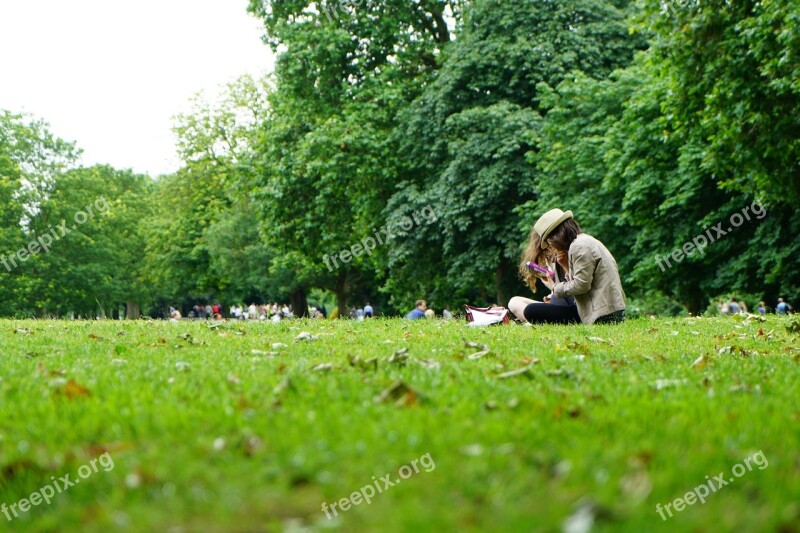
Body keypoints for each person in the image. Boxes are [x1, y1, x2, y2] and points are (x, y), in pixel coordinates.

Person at [508, 209, 626, 325]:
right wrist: (565, 265)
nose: (551, 245)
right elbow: (580, 283)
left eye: (549, 240)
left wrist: (554, 288)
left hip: (602, 315)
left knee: (531, 310)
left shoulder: (579, 246)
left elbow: (581, 286)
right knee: (521, 304)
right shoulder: (582, 242)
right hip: (600, 310)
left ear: (557, 234)